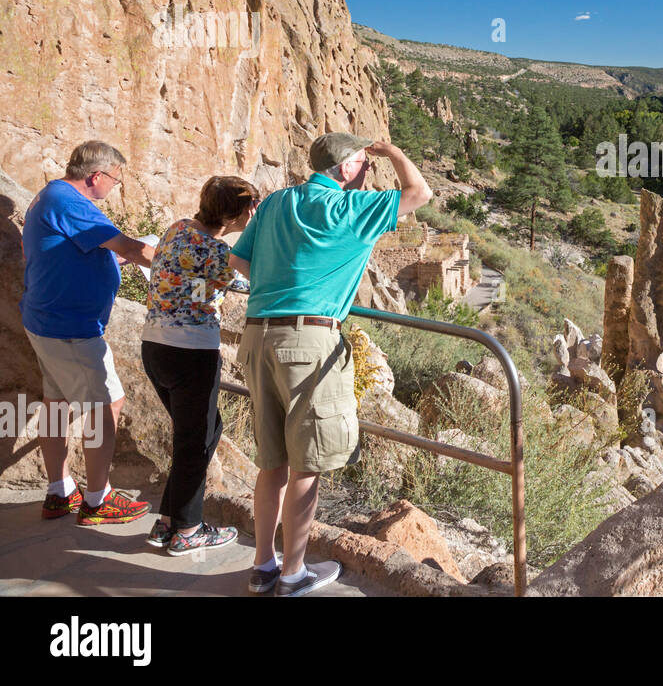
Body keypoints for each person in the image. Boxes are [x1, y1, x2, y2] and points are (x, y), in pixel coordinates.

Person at [230, 133, 431, 596]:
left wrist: (284, 278)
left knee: (271, 461)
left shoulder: (278, 201)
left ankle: (263, 565)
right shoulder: (350, 209)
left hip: (258, 333)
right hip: (309, 339)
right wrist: (396, 152)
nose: (367, 173)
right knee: (306, 464)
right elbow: (419, 193)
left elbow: (240, 260)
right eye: (364, 164)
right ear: (343, 169)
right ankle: (293, 574)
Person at [21, 140, 156, 525]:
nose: (115, 187)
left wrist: (108, 260)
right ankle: (98, 500)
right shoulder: (73, 203)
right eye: (115, 180)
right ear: (96, 177)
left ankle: (59, 491)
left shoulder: (52, 194)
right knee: (106, 406)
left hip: (45, 320)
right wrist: (179, 261)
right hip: (71, 328)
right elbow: (133, 249)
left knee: (57, 404)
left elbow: (72, 249)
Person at [141, 176, 260, 556]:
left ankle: (167, 522)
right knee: (194, 441)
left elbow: (196, 283)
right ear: (240, 212)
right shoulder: (218, 253)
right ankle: (188, 530)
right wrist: (254, 228)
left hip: (156, 345)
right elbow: (256, 276)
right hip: (190, 352)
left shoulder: (178, 229)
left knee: (203, 433)